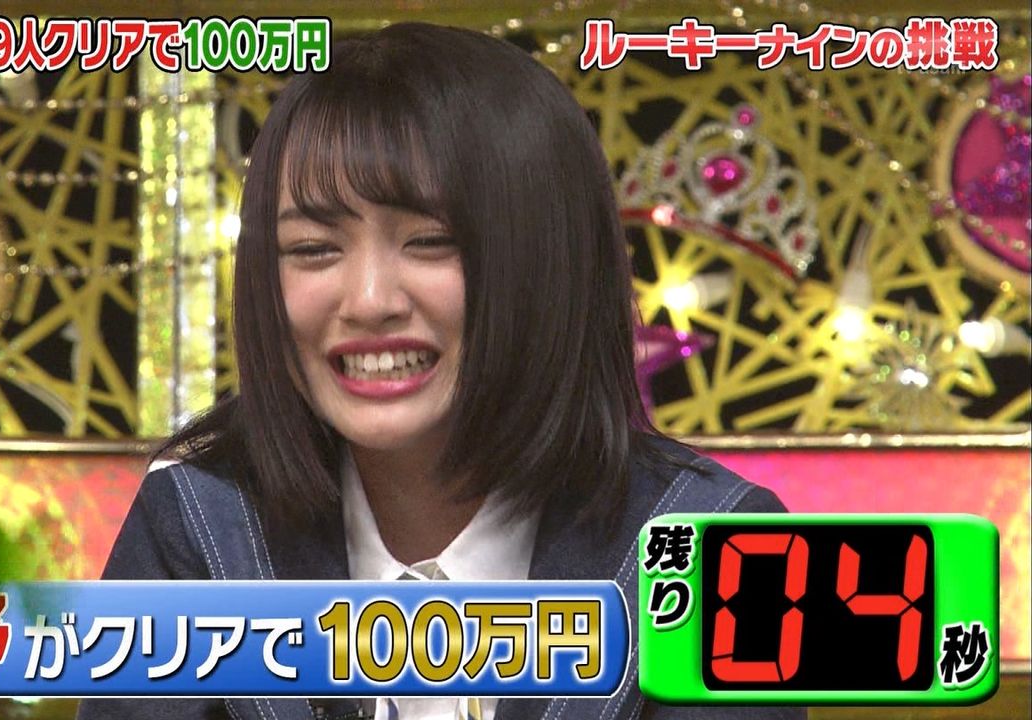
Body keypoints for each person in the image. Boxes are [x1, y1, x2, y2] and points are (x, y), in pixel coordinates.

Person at [78, 22, 803, 720]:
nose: (368, 301)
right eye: (312, 249)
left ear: (549, 262)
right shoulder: (199, 528)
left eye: (430, 241)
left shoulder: (711, 552)